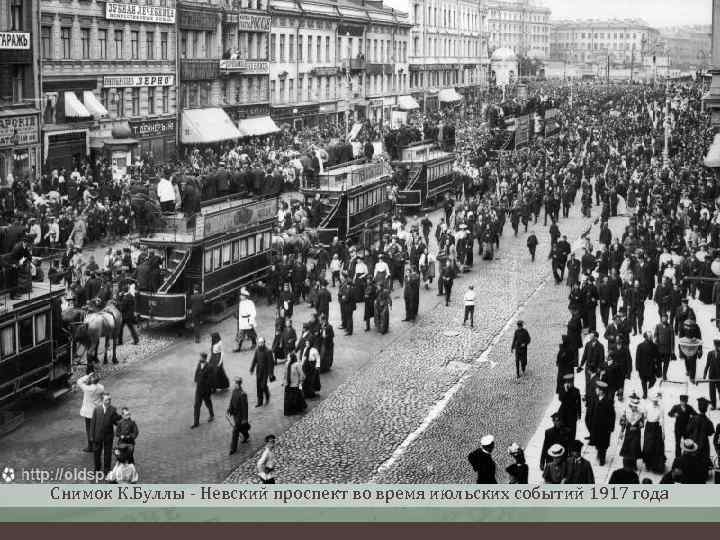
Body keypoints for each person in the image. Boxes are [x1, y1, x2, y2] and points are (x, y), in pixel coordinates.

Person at [89, 393, 121, 475]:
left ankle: (107, 470)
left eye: (109, 399)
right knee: (97, 453)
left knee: (108, 453)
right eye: (106, 400)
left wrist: (123, 422)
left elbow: (116, 421)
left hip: (108, 436)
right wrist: (91, 436)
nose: (108, 401)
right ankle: (97, 469)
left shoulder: (113, 409)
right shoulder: (97, 409)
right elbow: (93, 423)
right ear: (102, 400)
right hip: (97, 435)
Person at [685, 397, 715, 474]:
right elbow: (711, 432)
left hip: (693, 441)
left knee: (691, 456)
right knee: (703, 458)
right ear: (706, 409)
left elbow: (688, 429)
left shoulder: (693, 418)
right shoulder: (708, 421)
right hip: (703, 443)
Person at [77, 372, 104, 453]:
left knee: (89, 429)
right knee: (96, 429)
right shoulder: (101, 387)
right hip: (97, 411)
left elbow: (79, 381)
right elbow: (102, 398)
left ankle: (90, 446)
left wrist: (87, 376)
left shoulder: (88, 389)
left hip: (88, 413)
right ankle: (97, 445)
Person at [590, 380, 615, 466]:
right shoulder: (595, 399)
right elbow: (592, 411)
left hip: (604, 428)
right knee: (597, 443)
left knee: (603, 445)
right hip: (596, 426)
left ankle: (602, 459)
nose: (596, 390)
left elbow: (612, 415)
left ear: (601, 391)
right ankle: (599, 453)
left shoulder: (608, 401)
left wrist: (611, 427)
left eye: (597, 389)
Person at [619, 393, 645, 469]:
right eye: (633, 406)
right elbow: (623, 422)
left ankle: (633, 465)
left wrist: (640, 424)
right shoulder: (626, 412)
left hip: (636, 433)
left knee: (634, 448)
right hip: (628, 432)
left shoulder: (640, 413)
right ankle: (626, 464)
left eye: (636, 407)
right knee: (627, 447)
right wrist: (621, 432)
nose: (634, 408)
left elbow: (642, 424)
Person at [642, 392, 666, 474]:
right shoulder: (647, 406)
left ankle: (655, 465)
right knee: (648, 446)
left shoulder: (661, 408)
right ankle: (647, 464)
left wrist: (663, 432)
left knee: (657, 447)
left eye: (657, 400)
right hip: (649, 427)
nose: (655, 402)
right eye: (654, 400)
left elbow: (662, 420)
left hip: (656, 428)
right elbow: (644, 416)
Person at [668, 394, 697, 459]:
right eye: (682, 401)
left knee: (687, 443)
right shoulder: (676, 407)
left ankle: (686, 457)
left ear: (687, 401)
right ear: (680, 401)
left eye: (685, 401)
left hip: (686, 429)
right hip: (678, 429)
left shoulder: (689, 407)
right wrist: (673, 414)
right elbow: (669, 413)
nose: (683, 403)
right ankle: (678, 458)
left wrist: (692, 417)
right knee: (678, 444)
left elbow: (696, 414)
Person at [250, 337, 275, 407]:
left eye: (262, 342)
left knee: (263, 385)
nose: (260, 344)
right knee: (258, 387)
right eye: (259, 343)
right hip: (259, 371)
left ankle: (267, 395)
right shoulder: (257, 350)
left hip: (265, 371)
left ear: (264, 343)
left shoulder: (268, 351)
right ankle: (259, 402)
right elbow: (254, 360)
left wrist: (271, 373)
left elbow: (271, 363)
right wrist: (252, 369)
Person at [227, 377, 250, 454]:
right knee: (241, 428)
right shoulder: (234, 391)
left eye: (235, 383)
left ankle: (233, 448)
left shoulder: (243, 394)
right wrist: (229, 409)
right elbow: (232, 400)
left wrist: (245, 419)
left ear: (238, 384)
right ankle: (246, 435)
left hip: (240, 416)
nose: (234, 384)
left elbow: (245, 408)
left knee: (235, 431)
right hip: (235, 414)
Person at [191, 353, 214, 428]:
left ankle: (211, 415)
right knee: (196, 406)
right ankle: (196, 422)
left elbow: (210, 380)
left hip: (206, 391)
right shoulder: (199, 364)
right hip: (198, 390)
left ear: (204, 358)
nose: (199, 359)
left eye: (200, 358)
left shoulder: (210, 367)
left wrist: (207, 388)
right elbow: (197, 372)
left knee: (208, 403)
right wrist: (196, 380)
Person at [558, 373, 581, 442]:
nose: (571, 384)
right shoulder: (562, 390)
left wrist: (579, 414)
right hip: (563, 414)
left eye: (571, 382)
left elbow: (578, 403)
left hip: (572, 414)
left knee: (572, 432)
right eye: (569, 382)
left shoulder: (576, 390)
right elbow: (561, 399)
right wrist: (565, 391)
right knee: (564, 432)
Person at [635, 332, 659, 399]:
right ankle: (645, 393)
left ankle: (650, 389)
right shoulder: (640, 346)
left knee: (653, 380)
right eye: (649, 337)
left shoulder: (655, 346)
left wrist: (658, 367)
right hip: (643, 367)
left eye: (651, 336)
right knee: (643, 381)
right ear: (645, 337)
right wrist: (637, 367)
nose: (650, 338)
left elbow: (658, 357)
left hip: (651, 367)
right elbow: (637, 357)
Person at [703, 339, 720, 410]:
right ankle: (713, 405)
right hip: (712, 376)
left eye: (718, 346)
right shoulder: (710, 353)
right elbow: (707, 364)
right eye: (716, 346)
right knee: (712, 392)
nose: (717, 347)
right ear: (714, 346)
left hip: (719, 376)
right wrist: (705, 373)